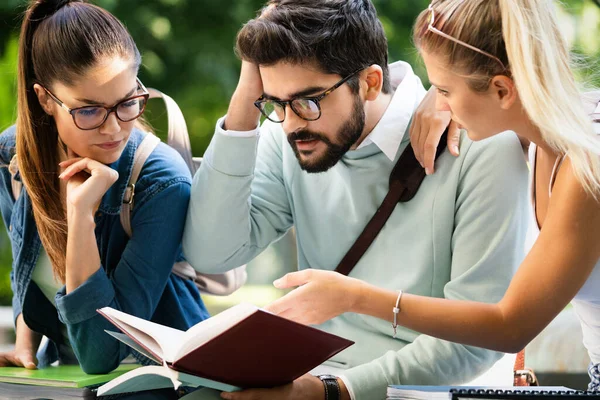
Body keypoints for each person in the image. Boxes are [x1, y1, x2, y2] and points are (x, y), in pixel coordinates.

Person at [182, 1, 530, 399]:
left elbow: (475, 338)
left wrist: (330, 391)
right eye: (275, 103)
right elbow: (210, 254)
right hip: (305, 379)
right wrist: (246, 99)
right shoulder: (288, 137)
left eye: (308, 102)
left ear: (370, 82)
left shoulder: (479, 142)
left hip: (419, 390)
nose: (292, 123)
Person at [259, 0, 600, 394]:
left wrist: (355, 297)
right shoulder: (545, 132)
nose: (435, 108)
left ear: (503, 89)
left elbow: (510, 327)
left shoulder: (585, 165)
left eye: (442, 90)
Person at [0, 0, 209, 380]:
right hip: (68, 374)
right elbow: (25, 258)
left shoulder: (161, 181)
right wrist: (24, 345)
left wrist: (80, 216)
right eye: (90, 110)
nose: (113, 129)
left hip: (166, 379)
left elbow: (103, 352)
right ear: (45, 99)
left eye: (127, 102)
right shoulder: (12, 157)